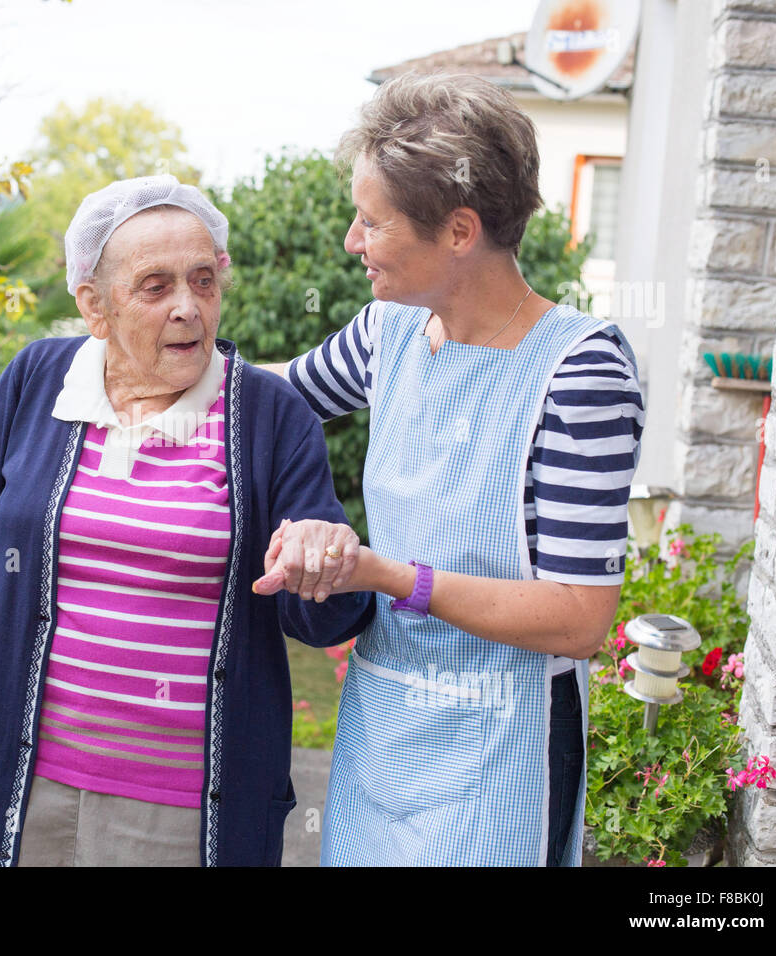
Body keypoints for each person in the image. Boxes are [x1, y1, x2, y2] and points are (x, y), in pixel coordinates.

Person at [0, 175, 375, 867]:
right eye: (155, 286)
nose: (188, 308)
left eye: (204, 280)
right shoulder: (38, 380)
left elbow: (324, 617)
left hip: (184, 814)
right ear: (94, 305)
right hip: (22, 794)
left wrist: (329, 564)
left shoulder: (270, 415)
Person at [254, 73, 646, 866]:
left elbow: (578, 617)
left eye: (372, 222)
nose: (351, 243)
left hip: (505, 744)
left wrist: (391, 577)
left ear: (460, 231)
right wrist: (135, 361)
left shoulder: (581, 372)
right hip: (383, 724)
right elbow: (266, 401)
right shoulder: (388, 332)